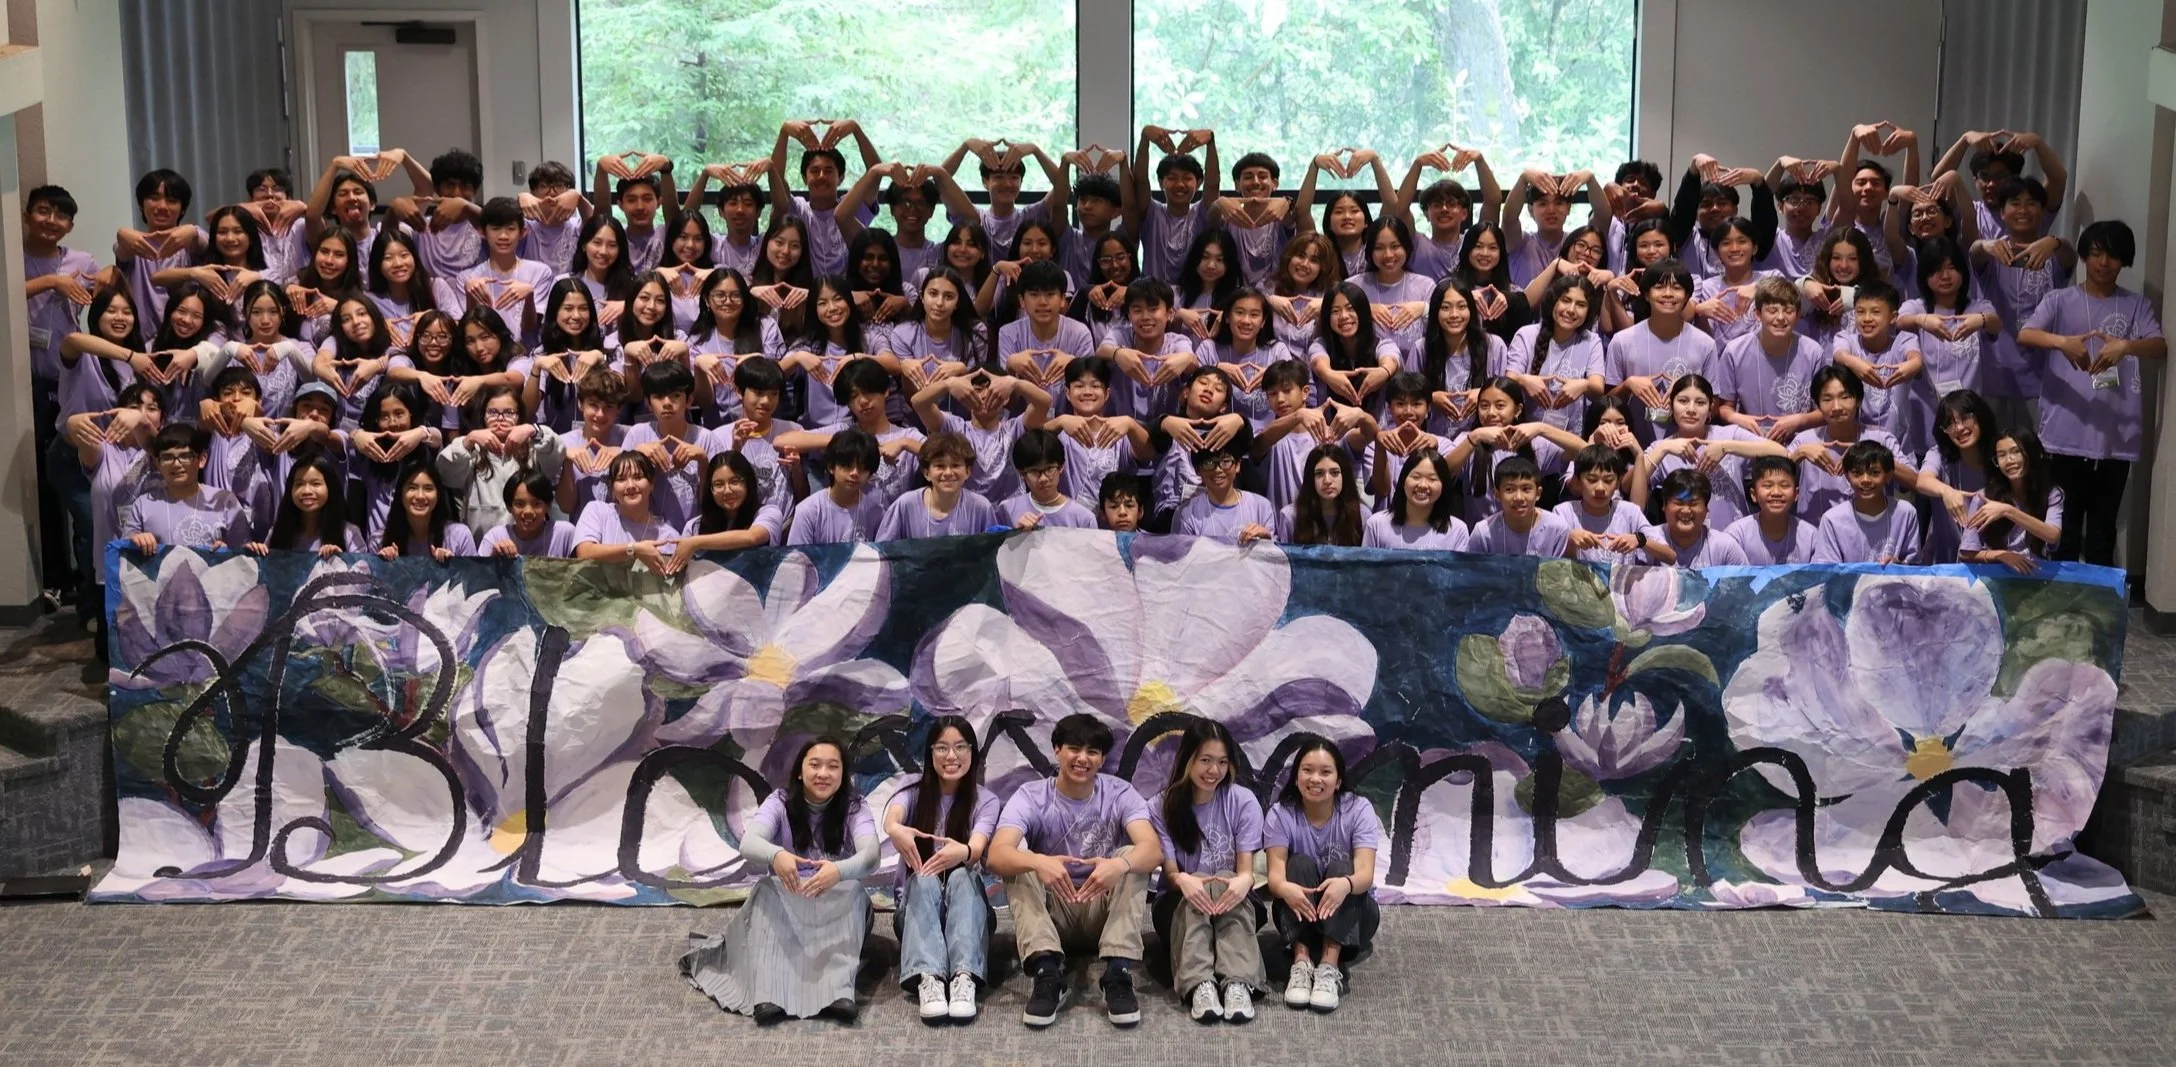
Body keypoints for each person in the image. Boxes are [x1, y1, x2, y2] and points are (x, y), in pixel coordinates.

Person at [682, 735, 879, 1025]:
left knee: (854, 891)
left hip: (835, 905)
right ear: (800, 771)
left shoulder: (855, 807)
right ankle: (769, 994)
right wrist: (776, 855)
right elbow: (749, 843)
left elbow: (871, 856)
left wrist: (838, 872)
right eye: (815, 765)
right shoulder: (779, 801)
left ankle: (838, 992)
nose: (823, 773)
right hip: (790, 903)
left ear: (842, 775)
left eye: (833, 766)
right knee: (765, 890)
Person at [989, 712, 1162, 1029]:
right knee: (1020, 859)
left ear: (1102, 759)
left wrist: (1119, 865)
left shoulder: (1120, 793)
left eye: (1092, 752)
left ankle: (1118, 972)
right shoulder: (1031, 796)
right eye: (1074, 748)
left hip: (1103, 913)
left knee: (1132, 856)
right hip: (1053, 916)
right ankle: (1047, 973)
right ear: (1057, 750)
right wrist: (1038, 862)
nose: (1082, 758)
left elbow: (1153, 849)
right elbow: (996, 854)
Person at [2016, 220, 2165, 566]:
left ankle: (2098, 599)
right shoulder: (2060, 299)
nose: (2104, 263)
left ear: (2124, 260)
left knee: (2102, 533)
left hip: (2116, 437)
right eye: (2096, 254)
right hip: (2063, 436)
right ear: (2084, 256)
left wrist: (2126, 346)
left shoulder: (2135, 304)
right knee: (2062, 531)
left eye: (2113, 256)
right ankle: (2059, 595)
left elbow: (2158, 346)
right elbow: (2026, 334)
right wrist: (2063, 342)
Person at [884, 715, 1001, 1024]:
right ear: (930, 752)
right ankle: (930, 978)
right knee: (923, 878)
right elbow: (893, 817)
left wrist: (963, 852)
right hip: (915, 917)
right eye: (942, 748)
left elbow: (977, 845)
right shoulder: (911, 788)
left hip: (970, 918)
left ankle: (964, 977)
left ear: (973, 752)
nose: (951, 756)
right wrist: (895, 830)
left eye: (961, 747)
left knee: (963, 874)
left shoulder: (986, 800)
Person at [1151, 720, 1266, 1025]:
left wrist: (1244, 880)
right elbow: (1171, 873)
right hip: (1178, 905)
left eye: (1222, 762)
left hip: (1235, 902)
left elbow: (1245, 872)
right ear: (1187, 759)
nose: (1214, 770)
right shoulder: (1160, 806)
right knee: (1200, 884)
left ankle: (1237, 983)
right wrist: (1183, 879)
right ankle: (1199, 984)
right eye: (1205, 760)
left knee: (1224, 879)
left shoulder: (1243, 801)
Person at [1264, 733, 1380, 1014]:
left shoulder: (1358, 809)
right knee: (1298, 864)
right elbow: (1275, 877)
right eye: (1307, 770)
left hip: (1353, 919)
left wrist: (1346, 885)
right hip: (1300, 916)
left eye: (1325, 772)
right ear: (1296, 777)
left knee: (1343, 869)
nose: (1315, 779)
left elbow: (1366, 875)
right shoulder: (1281, 813)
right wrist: (1286, 888)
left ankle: (1329, 965)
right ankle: (1301, 962)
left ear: (1338, 780)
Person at [1641, 374, 1789, 532]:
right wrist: (1663, 449)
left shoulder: (1730, 435)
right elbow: (1631, 487)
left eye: (1700, 402)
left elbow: (1782, 453)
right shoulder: (1662, 447)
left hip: (1735, 537)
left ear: (1710, 408)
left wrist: (1726, 447)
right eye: (1683, 401)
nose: (1691, 409)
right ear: (1671, 406)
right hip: (1685, 539)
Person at [1787, 366, 1917, 522]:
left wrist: (1872, 455)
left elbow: (1914, 481)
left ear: (1859, 400)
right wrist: (1799, 454)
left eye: (1845, 397)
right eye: (1827, 399)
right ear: (1817, 404)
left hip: (1871, 530)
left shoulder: (1881, 438)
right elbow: (1772, 477)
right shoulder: (1805, 441)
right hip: (1816, 531)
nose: (1836, 407)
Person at [1711, 276, 1827, 444]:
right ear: (1758, 314)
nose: (1780, 317)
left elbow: (1825, 411)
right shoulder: (1735, 351)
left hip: (1800, 443)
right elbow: (1723, 407)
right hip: (1751, 442)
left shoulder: (1813, 352)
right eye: (1772, 311)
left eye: (1788, 311)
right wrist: (1740, 419)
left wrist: (1800, 420)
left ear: (1798, 315)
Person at [436, 386, 562, 534]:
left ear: (519, 416)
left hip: (527, 538)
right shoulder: (471, 447)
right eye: (492, 412)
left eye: (509, 413)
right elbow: (445, 474)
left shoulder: (534, 446)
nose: (500, 418)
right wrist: (469, 440)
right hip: (482, 540)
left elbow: (555, 460)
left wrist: (533, 430)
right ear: (483, 416)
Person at [119, 424, 250, 554]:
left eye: (185, 456)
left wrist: (227, 552)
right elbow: (123, 554)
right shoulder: (143, 505)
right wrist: (135, 541)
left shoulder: (224, 501)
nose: (176, 464)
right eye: (167, 457)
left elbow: (244, 555)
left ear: (202, 459)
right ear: (157, 463)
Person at [1506, 275, 1605, 433]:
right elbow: (1508, 381)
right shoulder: (1526, 335)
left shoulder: (1592, 341)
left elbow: (1598, 387)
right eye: (1565, 300)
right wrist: (1523, 380)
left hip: (1570, 438)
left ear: (1589, 311)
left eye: (1580, 305)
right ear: (1553, 302)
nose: (1571, 310)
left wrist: (1583, 384)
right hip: (1525, 435)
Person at [1958, 428, 2064, 573]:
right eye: (2001, 455)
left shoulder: (2051, 494)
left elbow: (2052, 536)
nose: (2009, 461)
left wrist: (2007, 511)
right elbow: (1965, 553)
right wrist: (2000, 555)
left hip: (2036, 575)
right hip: (1996, 576)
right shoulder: (1984, 497)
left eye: (2016, 452)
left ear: (2033, 453)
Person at [1812, 440, 1920, 564]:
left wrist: (1899, 565)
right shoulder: (1831, 520)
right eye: (1857, 473)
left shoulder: (1906, 513)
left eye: (1875, 473)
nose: (1865, 480)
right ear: (1847, 476)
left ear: (1888, 476)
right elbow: (1826, 570)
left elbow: (1915, 566)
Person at [574, 451, 683, 573]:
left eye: (638, 477)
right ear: (612, 488)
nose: (630, 485)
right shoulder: (597, 511)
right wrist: (633, 550)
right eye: (621, 479)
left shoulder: (669, 537)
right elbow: (584, 553)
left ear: (652, 484)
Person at [876, 430, 997, 540]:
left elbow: (993, 550)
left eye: (955, 465)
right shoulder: (905, 505)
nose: (948, 473)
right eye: (940, 466)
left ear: (968, 471)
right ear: (926, 473)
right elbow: (883, 550)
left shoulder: (981, 508)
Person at [672, 452, 787, 561]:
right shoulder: (694, 526)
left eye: (734, 481)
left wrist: (696, 542)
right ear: (710, 489)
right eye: (719, 484)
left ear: (748, 483)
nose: (727, 490)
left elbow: (752, 537)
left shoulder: (768, 513)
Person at [1172, 422, 1274, 544]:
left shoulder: (1261, 506)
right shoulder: (1187, 513)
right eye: (1209, 463)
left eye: (1225, 461)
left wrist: (1266, 538)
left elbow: (1276, 552)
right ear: (1197, 470)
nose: (1218, 470)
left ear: (1237, 465)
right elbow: (1181, 553)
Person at [245, 451, 357, 557]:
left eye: (315, 484)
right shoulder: (278, 532)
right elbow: (268, 569)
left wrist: (341, 559)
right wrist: (256, 554)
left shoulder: (349, 533)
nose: (306, 491)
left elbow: (363, 569)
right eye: (299, 484)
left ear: (330, 488)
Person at [1553, 444, 1649, 564]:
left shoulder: (1630, 512)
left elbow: (1667, 553)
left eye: (1608, 480)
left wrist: (1639, 540)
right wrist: (1569, 540)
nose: (1600, 488)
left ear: (1618, 483)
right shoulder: (1563, 512)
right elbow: (1551, 560)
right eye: (1592, 480)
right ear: (1577, 481)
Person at [785, 429, 885, 545]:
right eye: (847, 466)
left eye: (863, 468)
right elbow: (797, 555)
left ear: (870, 474)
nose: (855, 473)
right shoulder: (807, 511)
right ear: (831, 467)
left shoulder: (877, 513)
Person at [1464, 456, 1572, 557]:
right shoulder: (1483, 532)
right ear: (1497, 495)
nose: (1519, 497)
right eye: (1509, 489)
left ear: (1538, 493)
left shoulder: (1557, 529)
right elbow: (1472, 569)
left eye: (1526, 489)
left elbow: (1558, 570)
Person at [1639, 469, 1750, 567]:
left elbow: (1744, 583)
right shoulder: (1646, 540)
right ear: (1664, 505)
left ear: (1706, 509)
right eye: (1679, 503)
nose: (1686, 510)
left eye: (1693, 504)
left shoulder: (1725, 547)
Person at [1722, 455, 1819, 564]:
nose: (1776, 492)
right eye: (1768, 486)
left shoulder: (1811, 536)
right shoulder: (1736, 535)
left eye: (1784, 485)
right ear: (1754, 494)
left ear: (1796, 494)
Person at [1363, 451, 1469, 550]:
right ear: (1403, 480)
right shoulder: (1376, 525)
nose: (1423, 485)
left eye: (1432, 479)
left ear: (1443, 485)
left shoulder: (1457, 531)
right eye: (1416, 477)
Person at [377, 457, 473, 561]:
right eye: (412, 488)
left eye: (428, 489)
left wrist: (453, 566)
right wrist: (385, 566)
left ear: (438, 495)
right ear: (400, 494)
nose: (420, 496)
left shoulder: (460, 536)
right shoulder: (379, 540)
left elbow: (473, 572)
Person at [1003, 427, 1099, 530]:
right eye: (1035, 471)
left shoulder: (1084, 518)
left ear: (1061, 467)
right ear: (1021, 473)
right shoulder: (1007, 509)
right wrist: (1015, 533)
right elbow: (995, 539)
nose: (1043, 478)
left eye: (1049, 469)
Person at [476, 471, 576, 558]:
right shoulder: (495, 538)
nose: (528, 511)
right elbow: (478, 573)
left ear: (548, 505)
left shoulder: (564, 534)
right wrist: (493, 559)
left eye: (536, 504)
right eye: (520, 504)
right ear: (509, 506)